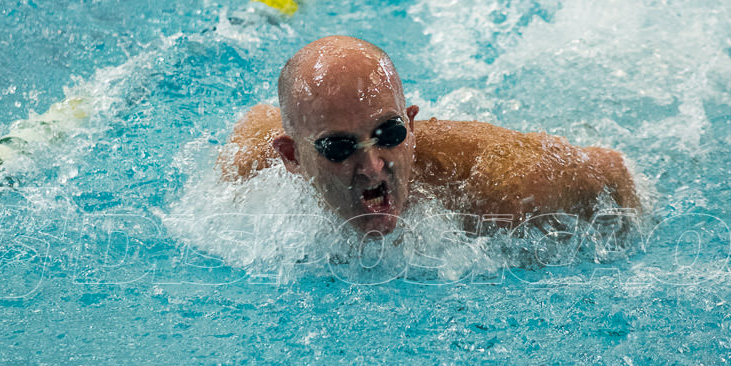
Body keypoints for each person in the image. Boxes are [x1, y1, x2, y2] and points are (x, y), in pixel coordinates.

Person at [220, 36, 640, 235]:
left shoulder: (501, 188)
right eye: (339, 147)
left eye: (389, 133)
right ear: (292, 157)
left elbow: (615, 175)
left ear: (412, 126)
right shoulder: (247, 171)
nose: (371, 166)